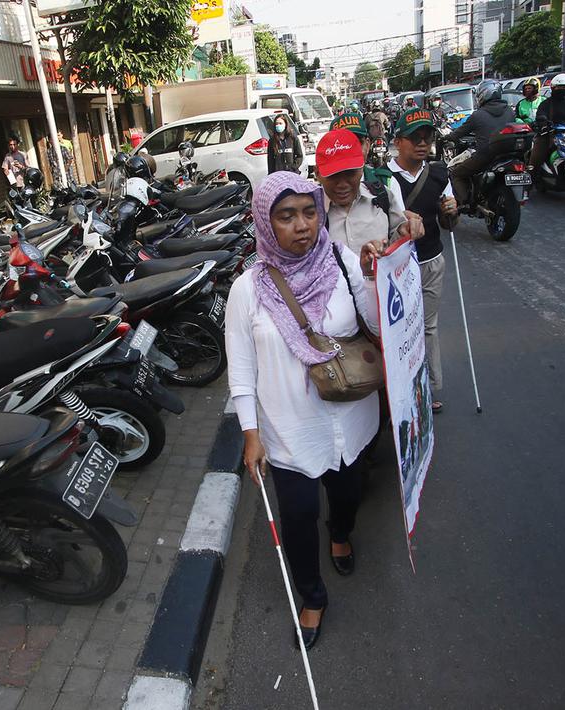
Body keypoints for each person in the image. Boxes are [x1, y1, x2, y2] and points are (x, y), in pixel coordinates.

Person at [225, 169, 386, 651]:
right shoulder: (247, 290)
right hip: (290, 431)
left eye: (309, 212)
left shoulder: (341, 264)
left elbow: (377, 323)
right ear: (265, 222)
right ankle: (312, 596)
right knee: (296, 516)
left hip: (352, 419)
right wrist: (251, 434)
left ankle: (340, 532)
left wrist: (378, 277)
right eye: (287, 215)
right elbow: (241, 368)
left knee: (348, 494)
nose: (302, 225)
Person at [388, 107, 460, 414]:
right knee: (399, 330)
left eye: (427, 137)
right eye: (414, 137)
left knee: (427, 326)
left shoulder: (440, 174)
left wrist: (452, 212)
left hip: (431, 261)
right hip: (396, 267)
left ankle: (429, 388)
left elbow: (450, 226)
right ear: (398, 142)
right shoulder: (385, 180)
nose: (422, 143)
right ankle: (399, 388)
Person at [316, 128, 417, 255]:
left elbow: (400, 247)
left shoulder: (382, 196)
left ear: (361, 169)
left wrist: (406, 231)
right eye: (334, 175)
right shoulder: (309, 213)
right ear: (317, 173)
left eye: (350, 173)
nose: (342, 184)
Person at [443, 79, 516, 206]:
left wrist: (447, 137)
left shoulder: (478, 115)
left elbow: (458, 134)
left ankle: (464, 202)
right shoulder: (509, 111)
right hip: (508, 155)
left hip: (485, 156)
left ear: (483, 95)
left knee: (456, 174)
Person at [530, 73, 565, 172]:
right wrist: (544, 123)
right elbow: (540, 116)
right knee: (536, 158)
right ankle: (532, 179)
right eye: (558, 87)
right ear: (552, 88)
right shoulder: (546, 103)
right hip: (548, 134)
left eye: (564, 87)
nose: (561, 89)